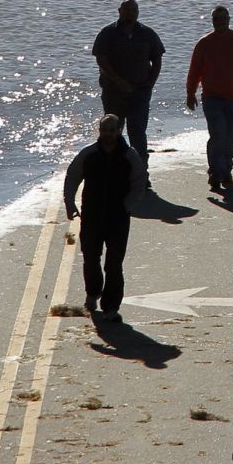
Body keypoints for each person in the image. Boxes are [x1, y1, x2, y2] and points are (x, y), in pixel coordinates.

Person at [63, 114, 148, 324]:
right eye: (104, 130)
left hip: (118, 218)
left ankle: (111, 307)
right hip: (91, 216)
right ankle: (92, 294)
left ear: (119, 131)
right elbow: (72, 176)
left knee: (114, 264)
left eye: (112, 130)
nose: (108, 135)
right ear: (99, 131)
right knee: (91, 258)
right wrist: (69, 202)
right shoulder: (89, 154)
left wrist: (128, 205)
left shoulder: (130, 156)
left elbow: (140, 181)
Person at [185, 6, 233, 192]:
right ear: (212, 21)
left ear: (229, 19)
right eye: (216, 19)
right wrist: (190, 93)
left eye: (223, 18)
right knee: (218, 134)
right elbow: (194, 71)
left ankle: (226, 169)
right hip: (212, 98)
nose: (219, 22)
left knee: (232, 137)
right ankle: (216, 172)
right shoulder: (204, 43)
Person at [92, 0, 164, 172]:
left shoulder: (147, 33)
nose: (130, 13)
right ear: (119, 11)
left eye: (134, 10)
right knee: (112, 132)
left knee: (138, 133)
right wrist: (118, 81)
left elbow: (157, 58)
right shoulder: (108, 33)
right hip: (113, 92)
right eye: (127, 10)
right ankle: (110, 171)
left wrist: (150, 83)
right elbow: (101, 59)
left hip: (140, 92)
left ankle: (140, 174)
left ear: (138, 12)